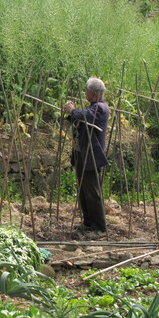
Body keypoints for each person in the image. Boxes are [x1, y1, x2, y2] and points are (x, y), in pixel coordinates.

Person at [64, 77, 110, 238]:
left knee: (92, 192)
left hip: (91, 157)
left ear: (93, 92)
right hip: (82, 154)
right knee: (83, 191)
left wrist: (73, 111)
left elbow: (86, 116)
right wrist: (71, 114)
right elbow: (80, 119)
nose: (85, 93)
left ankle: (100, 228)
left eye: (87, 90)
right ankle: (88, 222)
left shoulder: (100, 108)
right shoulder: (92, 108)